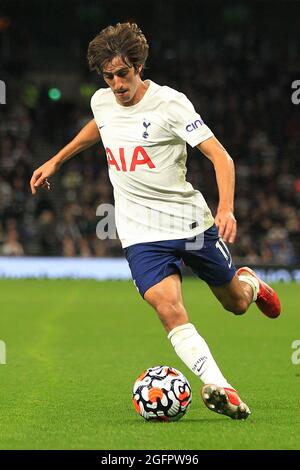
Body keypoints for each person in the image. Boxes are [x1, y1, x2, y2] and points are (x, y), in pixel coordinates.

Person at [30, 22, 281, 420]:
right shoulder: (102, 101)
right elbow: (101, 125)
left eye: (123, 74)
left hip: (190, 224)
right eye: (108, 76)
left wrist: (227, 208)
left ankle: (250, 281)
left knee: (234, 303)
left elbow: (221, 157)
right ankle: (220, 385)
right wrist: (57, 159)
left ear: (139, 66)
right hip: (141, 233)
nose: (116, 84)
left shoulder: (170, 104)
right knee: (168, 307)